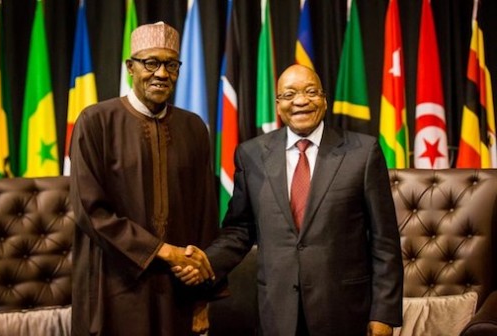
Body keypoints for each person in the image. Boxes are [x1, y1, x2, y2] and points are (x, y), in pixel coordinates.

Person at [176, 64, 403, 335]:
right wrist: (206, 262)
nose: (301, 101)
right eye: (289, 94)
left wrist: (383, 314)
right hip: (276, 313)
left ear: (324, 99)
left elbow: (384, 240)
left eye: (311, 91)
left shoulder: (363, 152)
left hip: (343, 311)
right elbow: (240, 230)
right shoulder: (251, 155)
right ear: (278, 104)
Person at [69, 22, 217, 336]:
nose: (161, 73)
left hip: (178, 288)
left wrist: (202, 300)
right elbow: (90, 211)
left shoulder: (194, 128)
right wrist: (163, 250)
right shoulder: (96, 122)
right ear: (130, 68)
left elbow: (205, 215)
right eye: (151, 63)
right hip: (114, 286)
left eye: (171, 64)